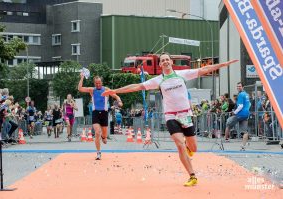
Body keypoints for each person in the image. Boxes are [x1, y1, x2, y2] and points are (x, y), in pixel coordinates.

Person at [102, 52, 238, 186]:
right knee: (179, 144)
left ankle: (187, 147)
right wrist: (115, 91)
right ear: (160, 64)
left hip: (185, 115)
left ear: (171, 62)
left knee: (193, 148)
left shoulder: (182, 75)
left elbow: (204, 69)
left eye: (167, 59)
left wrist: (224, 64)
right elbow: (136, 86)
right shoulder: (158, 80)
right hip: (171, 115)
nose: (166, 61)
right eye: (163, 60)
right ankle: (192, 176)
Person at [78, 74, 123, 160]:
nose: (98, 85)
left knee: (104, 136)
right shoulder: (92, 90)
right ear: (94, 83)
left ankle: (104, 137)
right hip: (95, 113)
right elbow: (80, 88)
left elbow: (116, 96)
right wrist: (82, 78)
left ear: (101, 82)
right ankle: (98, 153)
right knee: (97, 132)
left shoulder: (106, 90)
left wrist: (119, 101)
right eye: (96, 83)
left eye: (99, 83)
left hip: (104, 113)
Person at [224, 82, 251, 150]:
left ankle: (226, 139)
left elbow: (240, 106)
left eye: (240, 86)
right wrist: (246, 110)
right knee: (245, 131)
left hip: (239, 114)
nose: (238, 87)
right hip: (246, 114)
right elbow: (249, 104)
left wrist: (234, 112)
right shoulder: (246, 94)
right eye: (237, 86)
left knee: (228, 124)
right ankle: (243, 146)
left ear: (243, 87)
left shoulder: (241, 95)